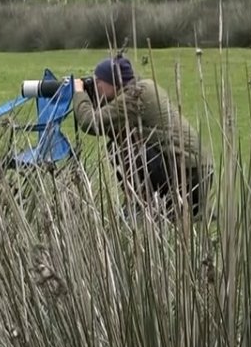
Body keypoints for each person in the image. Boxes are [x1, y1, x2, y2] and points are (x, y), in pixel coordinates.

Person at [70, 53, 213, 222]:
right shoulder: (143, 88)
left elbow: (90, 123)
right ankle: (170, 208)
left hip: (189, 177)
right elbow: (115, 130)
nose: (96, 86)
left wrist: (79, 93)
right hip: (197, 175)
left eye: (98, 81)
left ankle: (143, 206)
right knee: (124, 142)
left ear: (113, 82)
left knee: (120, 149)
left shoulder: (134, 97)